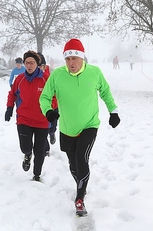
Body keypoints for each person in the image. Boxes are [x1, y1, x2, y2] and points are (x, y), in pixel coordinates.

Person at [39, 38, 120, 217]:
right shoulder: (57, 75)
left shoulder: (94, 72)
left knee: (82, 158)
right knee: (73, 165)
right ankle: (81, 182)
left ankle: (80, 198)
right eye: (67, 59)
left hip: (89, 126)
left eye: (74, 58)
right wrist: (49, 112)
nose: (71, 63)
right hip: (67, 129)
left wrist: (113, 111)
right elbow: (44, 97)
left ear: (82, 58)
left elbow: (105, 91)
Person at [5, 51, 50, 182]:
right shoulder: (20, 79)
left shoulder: (46, 79)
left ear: (37, 64)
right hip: (23, 119)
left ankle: (37, 175)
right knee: (25, 147)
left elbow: (54, 97)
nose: (29, 65)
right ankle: (27, 154)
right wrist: (9, 108)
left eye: (32, 63)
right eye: (27, 63)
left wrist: (50, 111)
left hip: (42, 120)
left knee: (40, 151)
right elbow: (12, 94)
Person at [37, 52, 58, 156]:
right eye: (38, 66)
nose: (41, 68)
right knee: (42, 128)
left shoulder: (52, 71)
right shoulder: (33, 75)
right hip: (41, 106)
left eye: (42, 66)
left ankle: (52, 133)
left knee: (52, 126)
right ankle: (45, 149)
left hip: (53, 104)